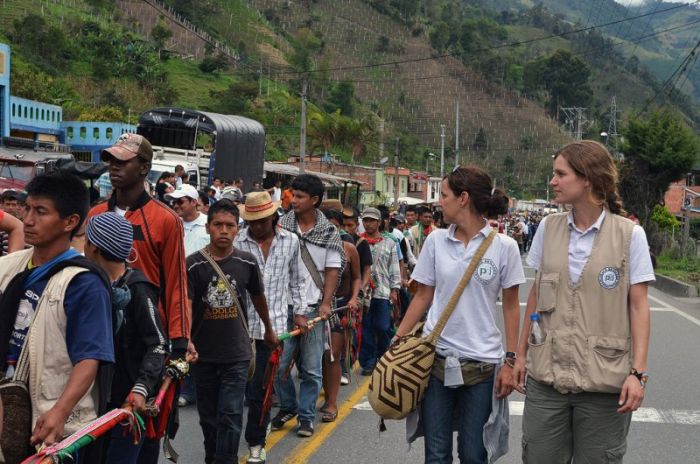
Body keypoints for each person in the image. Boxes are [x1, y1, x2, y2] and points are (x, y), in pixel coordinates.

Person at [513, 141, 654, 463]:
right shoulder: (548, 228)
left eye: (561, 174)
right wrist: (519, 356)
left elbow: (639, 306)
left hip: (605, 383)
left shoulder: (629, 235)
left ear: (587, 178)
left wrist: (638, 373)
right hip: (546, 378)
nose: (553, 181)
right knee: (538, 456)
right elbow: (536, 295)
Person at [395, 165, 524, 463]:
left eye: (444, 195)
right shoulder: (436, 241)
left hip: (482, 368)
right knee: (436, 455)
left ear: (463, 198)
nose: (440, 201)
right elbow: (424, 294)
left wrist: (511, 359)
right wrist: (398, 338)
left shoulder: (504, 247)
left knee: (473, 455)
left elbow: (512, 305)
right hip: (436, 362)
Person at [89, 133, 190, 463]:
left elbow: (177, 285)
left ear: (144, 168)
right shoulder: (94, 215)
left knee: (141, 433)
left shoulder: (166, 220)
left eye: (123, 162)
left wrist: (178, 344)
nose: (114, 168)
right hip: (98, 337)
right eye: (111, 161)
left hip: (146, 340)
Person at [0, 171, 114, 459]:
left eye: (41, 212)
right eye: (27, 209)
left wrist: (60, 412)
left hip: (49, 422)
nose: (27, 220)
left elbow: (90, 357)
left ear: (70, 222)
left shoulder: (83, 283)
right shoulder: (9, 266)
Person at [187, 200, 278, 464]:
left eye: (230, 225)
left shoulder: (246, 262)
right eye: (218, 225)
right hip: (203, 354)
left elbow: (259, 298)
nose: (224, 231)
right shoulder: (193, 264)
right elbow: (188, 305)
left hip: (237, 353)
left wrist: (269, 330)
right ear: (208, 227)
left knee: (231, 413)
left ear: (238, 229)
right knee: (208, 416)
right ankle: (211, 456)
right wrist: (186, 340)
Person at [83, 212, 168, 463]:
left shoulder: (138, 289)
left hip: (127, 404)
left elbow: (159, 343)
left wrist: (140, 389)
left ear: (94, 247)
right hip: (93, 402)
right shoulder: (89, 284)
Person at [234, 191, 305, 464]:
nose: (256, 226)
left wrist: (299, 313)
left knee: (259, 392)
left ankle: (256, 442)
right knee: (234, 392)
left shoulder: (291, 242)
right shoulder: (237, 241)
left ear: (273, 217)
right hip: (237, 329)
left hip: (270, 331)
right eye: (251, 221)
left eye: (261, 220)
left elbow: (296, 281)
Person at [273, 174, 344, 438]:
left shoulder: (329, 232)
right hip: (285, 307)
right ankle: (289, 406)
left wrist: (326, 304)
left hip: (314, 309)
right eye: (293, 195)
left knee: (312, 369)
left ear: (314, 200)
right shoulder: (280, 225)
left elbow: (333, 271)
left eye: (300, 197)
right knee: (279, 365)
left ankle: (305, 417)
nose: (294, 201)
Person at [320, 208, 361, 421]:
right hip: (316, 307)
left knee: (332, 355)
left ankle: (331, 402)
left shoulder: (349, 249)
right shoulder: (312, 248)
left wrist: (354, 298)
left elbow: (357, 277)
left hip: (339, 307)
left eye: (334, 227)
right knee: (316, 358)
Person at [358, 207, 401, 376]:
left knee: (383, 327)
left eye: (372, 220)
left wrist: (395, 289)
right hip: (364, 293)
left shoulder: (390, 242)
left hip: (382, 291)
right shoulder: (358, 242)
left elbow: (394, 267)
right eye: (366, 220)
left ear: (379, 222)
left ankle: (383, 357)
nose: (368, 224)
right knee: (366, 328)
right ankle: (368, 362)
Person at [167, 184, 210, 258]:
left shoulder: (209, 223)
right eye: (174, 202)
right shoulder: (172, 224)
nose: (176, 206)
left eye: (180, 202)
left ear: (193, 202)